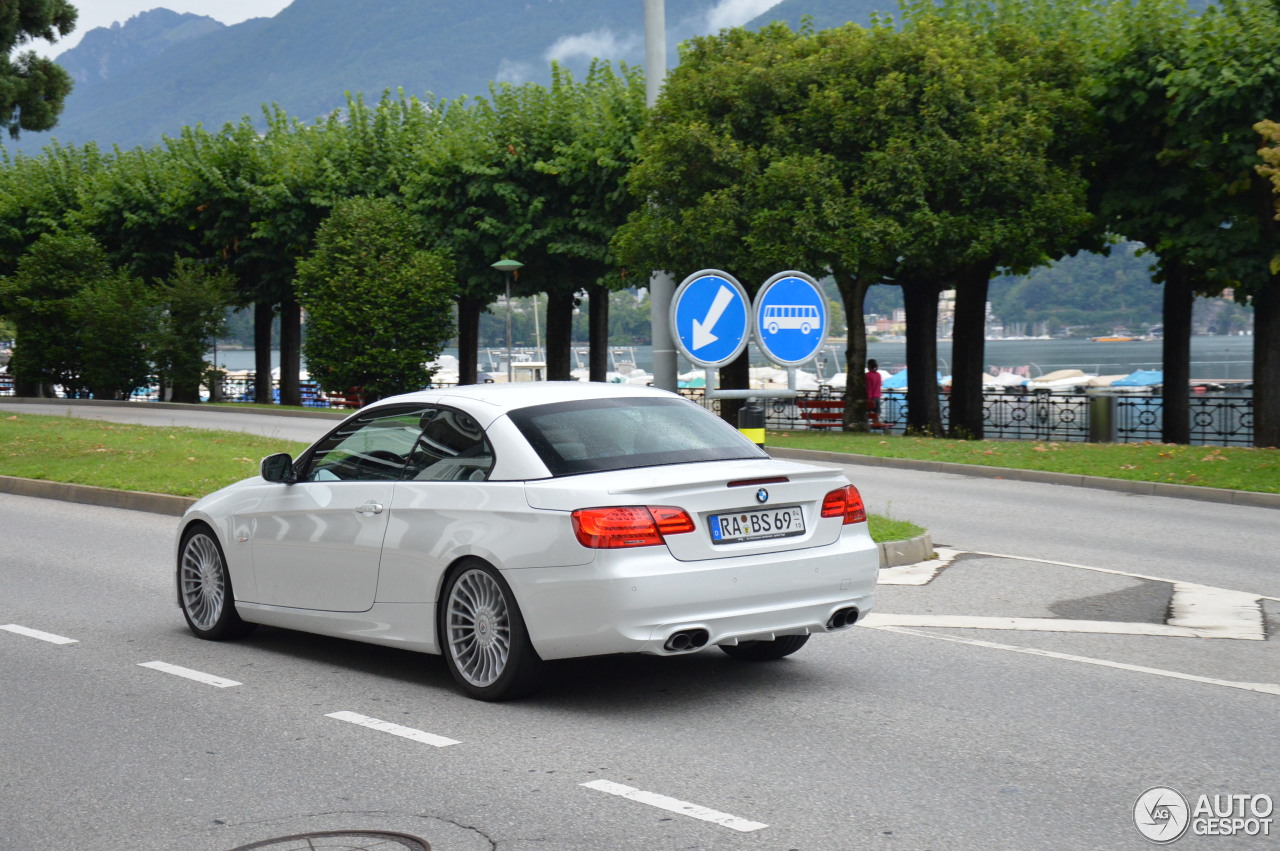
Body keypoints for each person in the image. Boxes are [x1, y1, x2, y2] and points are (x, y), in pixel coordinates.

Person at [865, 359, 883, 428]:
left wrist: (869, 399)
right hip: (878, 396)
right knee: (876, 414)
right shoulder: (878, 375)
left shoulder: (868, 375)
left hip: (871, 397)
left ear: (868, 366)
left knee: (867, 412)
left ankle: (867, 425)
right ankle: (876, 424)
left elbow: (868, 388)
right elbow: (879, 385)